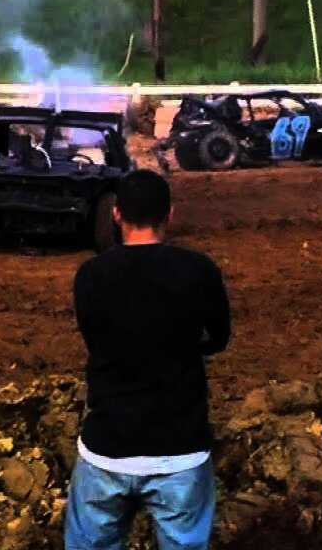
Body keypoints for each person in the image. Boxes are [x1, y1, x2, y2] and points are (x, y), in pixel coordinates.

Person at [65, 170, 230, 550]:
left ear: (117, 215)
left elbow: (96, 340)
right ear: (170, 215)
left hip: (108, 447)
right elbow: (218, 338)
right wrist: (182, 343)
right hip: (180, 451)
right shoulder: (200, 270)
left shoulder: (91, 275)